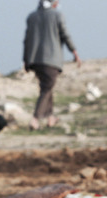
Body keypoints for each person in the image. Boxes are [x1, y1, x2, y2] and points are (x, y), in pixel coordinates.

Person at [23, 0, 81, 130]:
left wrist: (26, 59)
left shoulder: (31, 16)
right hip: (51, 60)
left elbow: (26, 40)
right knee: (47, 88)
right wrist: (74, 51)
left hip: (35, 60)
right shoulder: (57, 15)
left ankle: (50, 118)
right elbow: (65, 34)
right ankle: (35, 119)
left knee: (47, 87)